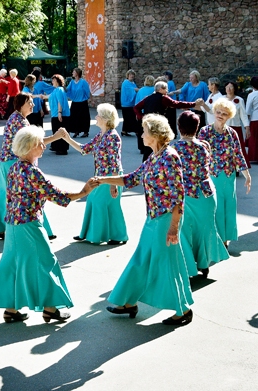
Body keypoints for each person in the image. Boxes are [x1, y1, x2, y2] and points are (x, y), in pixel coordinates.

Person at [0, 126, 95, 324]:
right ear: (28, 147)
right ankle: (50, 309)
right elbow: (59, 196)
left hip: (13, 224)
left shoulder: (15, 167)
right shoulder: (32, 172)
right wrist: (84, 191)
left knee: (13, 264)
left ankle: (11, 309)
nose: (44, 146)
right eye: (39, 143)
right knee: (46, 262)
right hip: (29, 225)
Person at [97, 114, 193, 326]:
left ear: (155, 134)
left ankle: (183, 310)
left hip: (167, 218)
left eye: (144, 131)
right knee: (141, 259)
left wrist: (174, 228)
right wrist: (102, 180)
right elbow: (131, 178)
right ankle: (128, 302)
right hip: (153, 218)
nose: (141, 134)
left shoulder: (170, 157)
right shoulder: (155, 156)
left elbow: (179, 195)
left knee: (166, 262)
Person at [0, 92, 61, 240]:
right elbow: (32, 144)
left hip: (6, 161)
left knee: (5, 193)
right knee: (29, 192)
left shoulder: (16, 118)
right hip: (13, 161)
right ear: (21, 105)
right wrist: (56, 137)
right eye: (30, 102)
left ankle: (0, 228)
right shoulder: (20, 121)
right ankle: (42, 229)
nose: (33, 105)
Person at [61, 103, 128, 245]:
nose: (95, 117)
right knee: (94, 201)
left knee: (103, 203)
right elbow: (84, 149)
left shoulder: (113, 137)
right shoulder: (101, 134)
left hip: (111, 176)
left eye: (98, 115)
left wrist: (113, 184)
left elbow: (114, 161)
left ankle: (117, 235)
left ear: (104, 118)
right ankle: (90, 234)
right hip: (100, 175)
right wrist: (67, 138)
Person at [173, 111, 228, 278]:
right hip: (206, 193)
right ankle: (204, 264)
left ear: (179, 127)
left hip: (186, 194)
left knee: (184, 231)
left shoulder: (174, 147)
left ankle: (187, 267)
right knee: (204, 230)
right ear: (197, 127)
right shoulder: (204, 145)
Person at [198, 98, 253, 249]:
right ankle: (216, 239)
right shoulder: (205, 132)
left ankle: (225, 240)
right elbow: (199, 156)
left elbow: (238, 154)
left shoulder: (232, 133)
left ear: (229, 116)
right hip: (212, 176)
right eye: (218, 112)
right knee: (216, 208)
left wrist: (247, 175)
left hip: (229, 177)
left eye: (224, 113)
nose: (220, 115)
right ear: (214, 112)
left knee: (229, 207)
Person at [133, 81, 199, 160]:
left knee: (148, 148)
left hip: (148, 125)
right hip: (158, 125)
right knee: (161, 146)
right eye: (166, 89)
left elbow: (136, 107)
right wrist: (193, 104)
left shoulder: (148, 97)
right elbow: (177, 104)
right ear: (161, 89)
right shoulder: (163, 98)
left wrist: (141, 117)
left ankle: (146, 166)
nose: (167, 91)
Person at [66, 67, 92, 138]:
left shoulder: (83, 82)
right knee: (74, 118)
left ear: (77, 73)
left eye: (73, 72)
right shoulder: (72, 82)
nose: (72, 73)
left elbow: (87, 91)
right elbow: (67, 89)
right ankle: (76, 131)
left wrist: (86, 98)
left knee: (84, 118)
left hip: (82, 102)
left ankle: (85, 132)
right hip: (75, 102)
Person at [48, 75, 71, 155]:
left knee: (60, 131)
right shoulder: (56, 90)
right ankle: (56, 147)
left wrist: (59, 112)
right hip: (55, 114)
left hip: (60, 114)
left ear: (57, 81)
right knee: (56, 131)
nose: (52, 82)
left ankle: (62, 149)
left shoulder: (59, 89)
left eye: (53, 80)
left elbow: (60, 101)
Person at [120, 70, 139, 137]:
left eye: (133, 74)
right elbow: (130, 90)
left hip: (132, 103)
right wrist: (137, 90)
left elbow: (134, 89)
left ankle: (124, 131)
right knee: (130, 118)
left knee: (129, 118)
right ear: (127, 75)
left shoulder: (133, 83)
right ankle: (136, 130)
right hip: (126, 103)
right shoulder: (126, 83)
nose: (132, 76)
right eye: (130, 74)